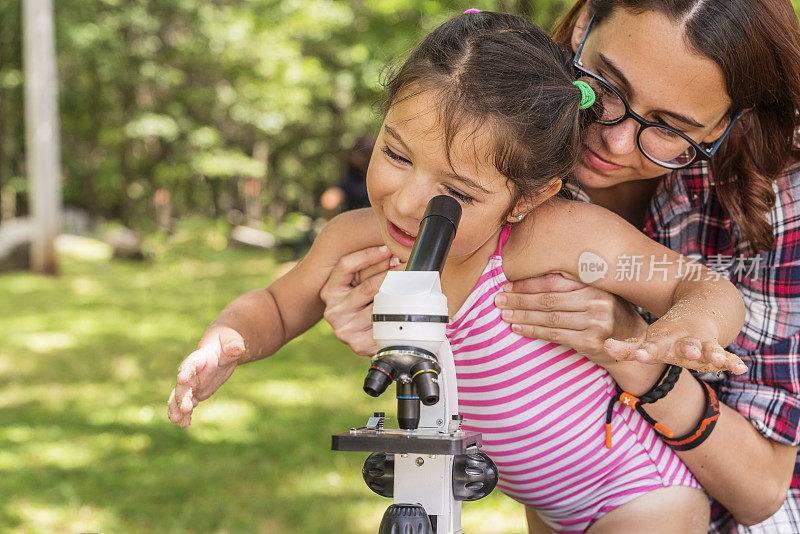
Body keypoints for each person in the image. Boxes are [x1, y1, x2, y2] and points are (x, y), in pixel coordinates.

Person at [168, 11, 747, 533]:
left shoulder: (552, 234)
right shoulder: (355, 238)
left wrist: (686, 327)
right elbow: (275, 305)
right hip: (545, 508)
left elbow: (703, 287)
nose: (406, 202)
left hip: (641, 492)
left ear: (525, 198)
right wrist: (229, 340)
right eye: (396, 154)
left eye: (456, 194)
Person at [320, 1, 800, 532]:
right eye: (609, 87)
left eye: (672, 127)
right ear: (581, 24)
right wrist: (381, 306)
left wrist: (637, 348)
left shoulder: (780, 197)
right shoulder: (505, 151)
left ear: (725, 126)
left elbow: (761, 495)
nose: (612, 139)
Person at [319, 135, 375, 213]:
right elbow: (328, 201)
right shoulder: (351, 179)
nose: (359, 158)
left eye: (365, 154)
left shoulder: (380, 179)